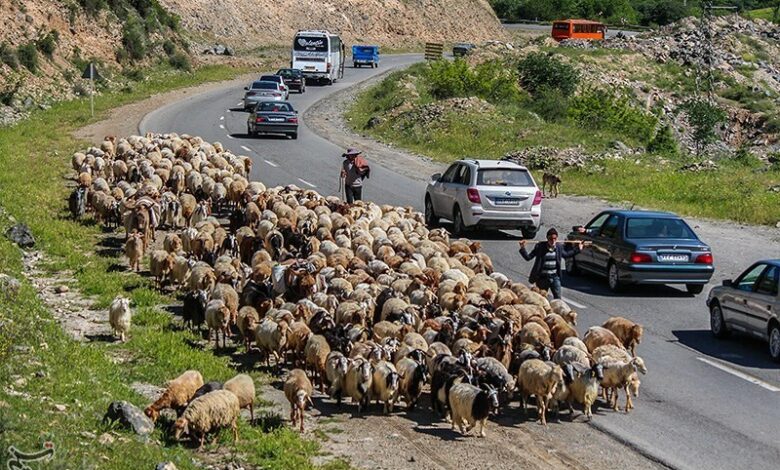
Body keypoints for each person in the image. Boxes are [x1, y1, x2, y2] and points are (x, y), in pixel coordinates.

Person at [518, 227, 583, 300]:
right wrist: (522, 248)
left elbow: (566, 254)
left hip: (555, 277)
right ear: (547, 238)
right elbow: (528, 257)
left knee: (558, 299)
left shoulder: (559, 247)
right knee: (541, 299)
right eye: (551, 239)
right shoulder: (540, 247)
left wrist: (578, 249)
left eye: (555, 239)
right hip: (542, 278)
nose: (553, 241)